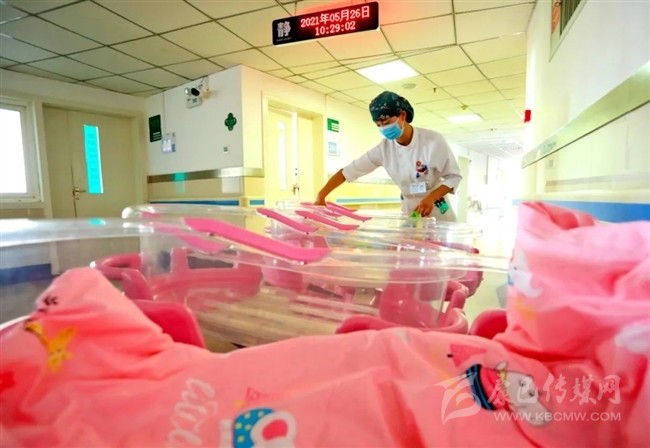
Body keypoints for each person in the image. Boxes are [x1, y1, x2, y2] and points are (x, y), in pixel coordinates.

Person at [314, 91, 462, 221]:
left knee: (438, 243)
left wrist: (432, 196)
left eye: (386, 122)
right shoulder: (384, 149)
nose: (383, 128)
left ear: (402, 116)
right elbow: (348, 171)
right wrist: (321, 195)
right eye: (378, 125)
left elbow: (454, 177)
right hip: (410, 210)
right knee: (412, 242)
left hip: (436, 208)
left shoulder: (433, 141)